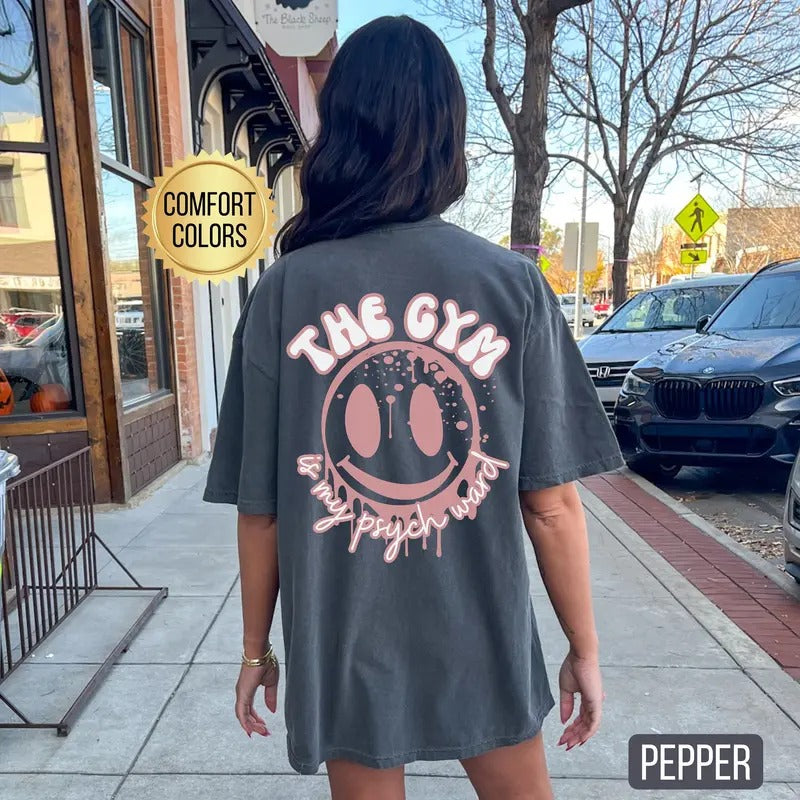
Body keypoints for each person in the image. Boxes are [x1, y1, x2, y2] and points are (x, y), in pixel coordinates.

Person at [204, 15, 623, 800]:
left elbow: (260, 511)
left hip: (345, 639)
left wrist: (257, 650)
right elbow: (552, 505)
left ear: (340, 131)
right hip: (482, 635)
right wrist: (584, 648)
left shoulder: (285, 290)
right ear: (446, 136)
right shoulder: (512, 287)